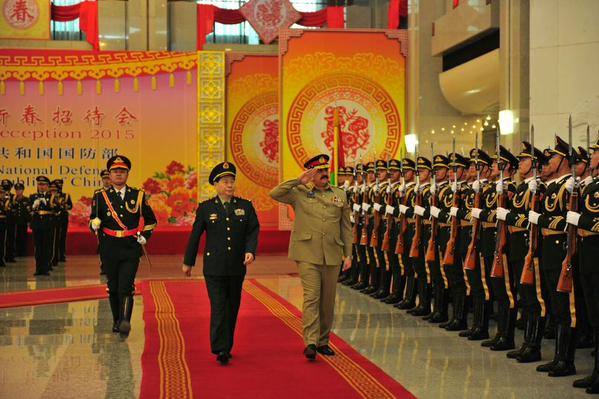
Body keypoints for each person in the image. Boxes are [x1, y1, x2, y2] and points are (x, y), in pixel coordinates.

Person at [270, 154, 352, 360]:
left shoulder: (340, 195)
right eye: (320, 171)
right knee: (312, 297)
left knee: (327, 302)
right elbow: (275, 193)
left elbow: (346, 227)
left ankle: (324, 341)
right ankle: (311, 342)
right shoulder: (298, 192)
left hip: (332, 253)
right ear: (311, 174)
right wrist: (299, 180)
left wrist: (348, 254)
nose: (325, 174)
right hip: (307, 252)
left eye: (326, 170)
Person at [183, 161, 259, 365]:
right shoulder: (206, 208)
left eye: (232, 181)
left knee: (232, 307)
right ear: (215, 185)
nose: (230, 185)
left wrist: (250, 250)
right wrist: (188, 262)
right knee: (219, 306)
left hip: (236, 266)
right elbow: (195, 236)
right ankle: (220, 348)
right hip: (214, 267)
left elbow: (253, 230)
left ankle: (227, 345)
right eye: (225, 181)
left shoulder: (245, 206)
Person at [90, 155, 157, 338]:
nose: (118, 174)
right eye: (115, 171)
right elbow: (93, 220)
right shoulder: (100, 196)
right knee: (113, 286)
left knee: (126, 286)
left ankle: (125, 321)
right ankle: (116, 320)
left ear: (127, 174)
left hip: (130, 247)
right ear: (109, 175)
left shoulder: (138, 195)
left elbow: (151, 220)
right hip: (109, 247)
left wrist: (144, 235)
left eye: (122, 171)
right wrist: (93, 224)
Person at [30, 176, 55, 276]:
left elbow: (56, 209)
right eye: (39, 184)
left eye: (43, 185)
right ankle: (38, 268)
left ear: (47, 186)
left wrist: (48, 203)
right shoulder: (33, 197)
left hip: (47, 224)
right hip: (37, 225)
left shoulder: (51, 196)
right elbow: (28, 209)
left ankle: (45, 268)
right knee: (38, 248)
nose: (41, 187)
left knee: (46, 247)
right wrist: (33, 206)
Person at [12, 182, 30, 258]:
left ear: (23, 190)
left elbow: (28, 212)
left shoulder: (27, 200)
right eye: (17, 190)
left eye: (20, 190)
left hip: (23, 222)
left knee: (23, 237)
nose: (18, 191)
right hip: (15, 222)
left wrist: (29, 221)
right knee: (15, 237)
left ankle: (22, 252)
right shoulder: (13, 199)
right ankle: (15, 252)